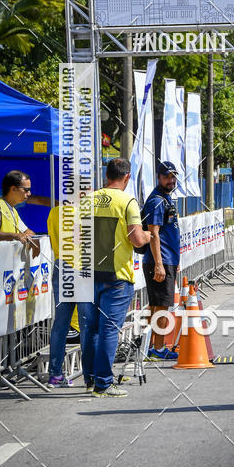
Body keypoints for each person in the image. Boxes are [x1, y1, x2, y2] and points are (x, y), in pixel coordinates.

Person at [78, 158, 151, 397]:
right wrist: (148, 236)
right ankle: (103, 383)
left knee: (90, 329)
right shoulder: (127, 201)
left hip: (87, 273)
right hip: (116, 276)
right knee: (109, 329)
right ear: (127, 177)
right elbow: (137, 240)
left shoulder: (87, 199)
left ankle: (91, 379)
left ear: (106, 175)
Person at [142, 160, 181, 361]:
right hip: (159, 261)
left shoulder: (165, 198)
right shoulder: (157, 201)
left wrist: (174, 260)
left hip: (166, 259)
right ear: (158, 177)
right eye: (166, 176)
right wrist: (159, 264)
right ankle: (157, 349)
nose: (170, 180)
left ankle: (150, 347)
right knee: (161, 306)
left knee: (158, 305)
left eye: (173, 176)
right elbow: (153, 234)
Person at [46, 204, 81, 387]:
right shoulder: (84, 212)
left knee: (60, 324)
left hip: (61, 266)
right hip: (81, 266)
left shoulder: (54, 212)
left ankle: (55, 374)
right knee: (88, 323)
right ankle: (92, 376)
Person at [0, 170, 40, 258]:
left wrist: (34, 238)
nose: (29, 193)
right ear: (13, 189)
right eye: (26, 190)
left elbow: (26, 231)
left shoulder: (12, 210)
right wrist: (15, 236)